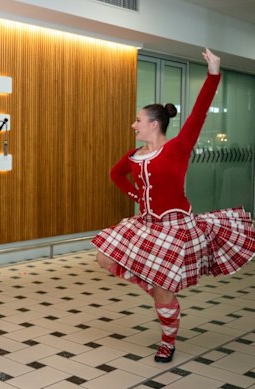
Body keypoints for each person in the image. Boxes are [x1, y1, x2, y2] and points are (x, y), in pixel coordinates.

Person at [92, 48, 255, 363]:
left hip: (176, 229)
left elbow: (201, 111)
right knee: (104, 256)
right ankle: (156, 289)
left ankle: (168, 341)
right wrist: (136, 196)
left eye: (138, 120)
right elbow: (116, 174)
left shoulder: (179, 147)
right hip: (147, 226)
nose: (133, 125)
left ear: (154, 124)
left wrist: (214, 73)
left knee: (164, 289)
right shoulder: (135, 154)